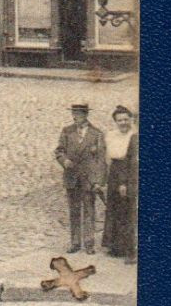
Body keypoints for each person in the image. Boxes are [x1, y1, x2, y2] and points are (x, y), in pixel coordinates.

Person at [55, 101, 107, 255]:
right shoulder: (66, 131)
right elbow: (59, 151)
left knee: (89, 210)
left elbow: (101, 160)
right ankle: (75, 242)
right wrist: (64, 161)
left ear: (86, 115)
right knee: (74, 211)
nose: (76, 116)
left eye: (79, 113)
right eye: (74, 113)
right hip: (71, 178)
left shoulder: (96, 134)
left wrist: (98, 181)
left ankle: (89, 243)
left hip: (88, 179)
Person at [101, 105, 138, 262]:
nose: (123, 123)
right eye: (119, 120)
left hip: (128, 172)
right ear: (115, 122)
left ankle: (128, 247)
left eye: (125, 119)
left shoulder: (134, 136)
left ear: (130, 120)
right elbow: (107, 158)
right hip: (114, 172)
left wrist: (125, 182)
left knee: (127, 209)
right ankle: (115, 246)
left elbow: (130, 159)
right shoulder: (111, 135)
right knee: (113, 207)